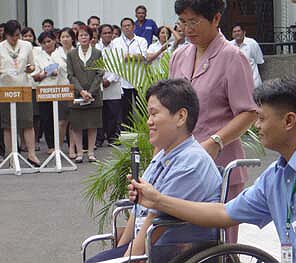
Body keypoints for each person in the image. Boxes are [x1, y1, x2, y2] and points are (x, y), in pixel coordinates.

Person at [130, 77, 296, 263]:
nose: (256, 126)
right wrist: (158, 200)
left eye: (262, 118)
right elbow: (223, 213)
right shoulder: (276, 175)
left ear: (289, 121)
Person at [87, 78, 222, 263]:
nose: (149, 122)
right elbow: (139, 210)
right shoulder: (165, 154)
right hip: (151, 244)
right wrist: (120, 251)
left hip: (172, 250)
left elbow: (155, 220)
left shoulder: (191, 162)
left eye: (154, 114)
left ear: (181, 117)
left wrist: (128, 259)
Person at [169, 0, 257, 243]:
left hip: (220, 168)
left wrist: (216, 141)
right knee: (180, 244)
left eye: (194, 21)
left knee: (218, 245)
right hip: (183, 167)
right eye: (183, 22)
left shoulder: (232, 57)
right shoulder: (178, 56)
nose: (188, 29)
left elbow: (249, 112)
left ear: (216, 18)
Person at [0, 20, 40, 166]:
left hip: (24, 87)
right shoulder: (0, 47)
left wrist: (30, 68)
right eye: (12, 36)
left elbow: (33, 65)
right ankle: (10, 156)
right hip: (5, 88)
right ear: (6, 35)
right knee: (7, 124)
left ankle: (31, 154)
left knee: (27, 122)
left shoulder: (27, 45)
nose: (15, 38)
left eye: (17, 35)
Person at [67, 25, 103, 163]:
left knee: (92, 124)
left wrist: (90, 92)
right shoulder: (71, 54)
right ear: (77, 38)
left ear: (91, 37)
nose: (83, 37)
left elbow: (100, 73)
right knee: (77, 124)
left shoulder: (97, 53)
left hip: (93, 94)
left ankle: (91, 152)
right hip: (77, 93)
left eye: (86, 35)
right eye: (81, 35)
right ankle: (80, 152)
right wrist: (81, 91)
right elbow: (70, 75)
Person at [112, 17, 147, 128]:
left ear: (134, 26)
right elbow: (116, 59)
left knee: (141, 109)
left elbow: (143, 57)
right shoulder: (116, 42)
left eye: (129, 25)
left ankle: (142, 132)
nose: (127, 28)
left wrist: (128, 57)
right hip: (123, 80)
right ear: (121, 28)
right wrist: (134, 56)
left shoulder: (141, 41)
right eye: (124, 26)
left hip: (139, 80)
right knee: (125, 110)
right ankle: (128, 134)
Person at [32, 31, 63, 155]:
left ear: (54, 40)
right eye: (44, 42)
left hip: (61, 90)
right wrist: (47, 72)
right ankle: (50, 145)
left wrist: (45, 72)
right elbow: (35, 76)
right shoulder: (38, 57)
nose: (47, 44)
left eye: (49, 41)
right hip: (44, 91)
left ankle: (59, 145)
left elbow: (62, 69)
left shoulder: (60, 53)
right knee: (46, 118)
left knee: (61, 119)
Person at [95, 24, 123, 147]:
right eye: (104, 33)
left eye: (109, 33)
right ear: (100, 34)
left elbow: (120, 67)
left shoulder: (118, 48)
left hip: (113, 84)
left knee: (113, 113)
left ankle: (113, 138)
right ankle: (99, 138)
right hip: (98, 84)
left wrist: (109, 80)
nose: (107, 35)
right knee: (100, 113)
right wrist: (100, 80)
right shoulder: (95, 48)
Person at [52, 27, 76, 156]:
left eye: (67, 36)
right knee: (62, 121)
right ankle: (59, 147)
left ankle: (72, 148)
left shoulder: (77, 52)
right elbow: (50, 69)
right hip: (61, 89)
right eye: (62, 37)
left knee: (74, 121)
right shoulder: (56, 54)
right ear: (59, 39)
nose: (65, 39)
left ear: (73, 38)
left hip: (75, 89)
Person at [21, 27, 41, 152]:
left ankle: (36, 141)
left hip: (36, 86)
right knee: (23, 117)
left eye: (30, 35)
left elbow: (39, 65)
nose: (28, 38)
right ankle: (23, 142)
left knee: (36, 116)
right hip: (23, 86)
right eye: (25, 36)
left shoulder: (38, 50)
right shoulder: (19, 49)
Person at [230, 23, 264, 89]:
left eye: (239, 31)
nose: (237, 33)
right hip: (237, 84)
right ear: (232, 34)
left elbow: (259, 61)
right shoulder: (229, 46)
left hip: (253, 82)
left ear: (244, 32)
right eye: (234, 32)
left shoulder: (252, 43)